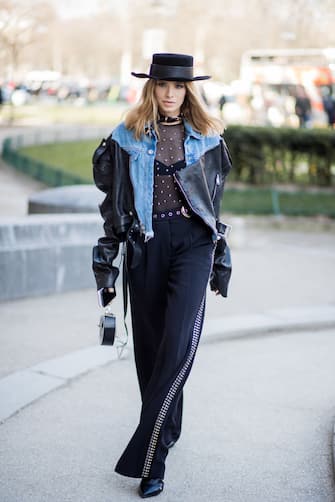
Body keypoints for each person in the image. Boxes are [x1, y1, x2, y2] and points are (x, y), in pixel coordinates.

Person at [92, 53, 232, 498]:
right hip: (146, 247)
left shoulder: (209, 139)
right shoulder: (125, 138)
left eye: (179, 87)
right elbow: (113, 207)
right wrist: (107, 265)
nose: (170, 94)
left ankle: (151, 460)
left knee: (177, 344)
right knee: (152, 354)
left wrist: (220, 251)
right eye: (162, 85)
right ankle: (166, 430)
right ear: (150, 89)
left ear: (189, 91)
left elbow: (214, 203)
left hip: (193, 245)